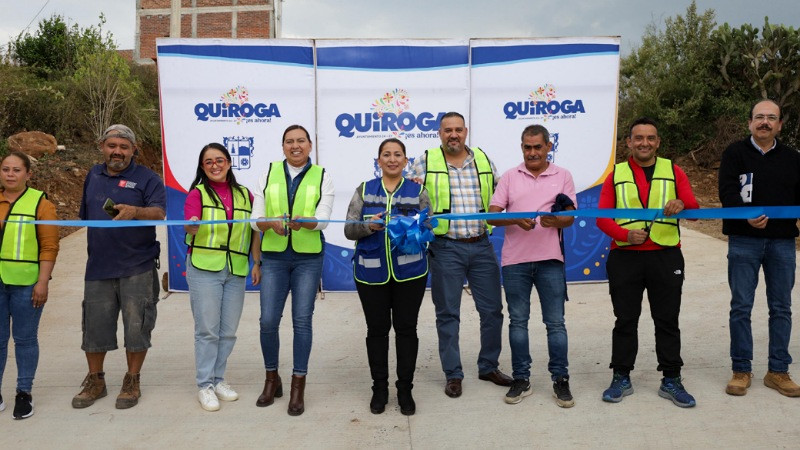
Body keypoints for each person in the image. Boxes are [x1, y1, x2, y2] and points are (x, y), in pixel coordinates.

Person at [596, 117, 699, 408]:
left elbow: (693, 210)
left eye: (650, 138)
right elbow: (602, 217)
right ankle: (621, 376)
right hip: (625, 256)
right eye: (638, 138)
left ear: (658, 142)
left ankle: (671, 378)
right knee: (625, 320)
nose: (644, 143)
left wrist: (681, 204)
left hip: (665, 255)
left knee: (667, 319)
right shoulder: (615, 174)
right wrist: (625, 235)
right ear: (628, 142)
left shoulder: (673, 170)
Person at [409, 111, 511, 398]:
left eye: (458, 130)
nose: (453, 135)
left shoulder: (483, 158)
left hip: (481, 245)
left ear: (466, 131)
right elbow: (403, 192)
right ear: (439, 133)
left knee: (492, 311)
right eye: (447, 130)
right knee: (448, 314)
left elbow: (501, 194)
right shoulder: (425, 160)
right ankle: (453, 373)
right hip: (445, 248)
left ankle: (488, 366)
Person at [72, 124, 166, 410]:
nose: (118, 152)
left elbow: (160, 212)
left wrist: (136, 211)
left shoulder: (147, 178)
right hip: (98, 267)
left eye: (124, 147)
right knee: (94, 328)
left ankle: (132, 380)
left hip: (137, 265)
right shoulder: (93, 175)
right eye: (113, 145)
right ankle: (95, 380)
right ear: (102, 146)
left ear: (134, 150)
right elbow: (84, 216)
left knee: (137, 327)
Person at [487, 125, 576, 407]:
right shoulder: (510, 177)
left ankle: (560, 380)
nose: (533, 152)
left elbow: (571, 217)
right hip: (515, 262)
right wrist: (514, 219)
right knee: (518, 323)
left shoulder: (563, 175)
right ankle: (521, 379)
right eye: (527, 147)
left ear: (549, 147)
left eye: (538, 147)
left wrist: (555, 221)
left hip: (551, 260)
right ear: (522, 147)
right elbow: (491, 217)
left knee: (555, 324)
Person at [719, 99, 800, 397]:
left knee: (781, 308)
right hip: (743, 241)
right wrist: (745, 215)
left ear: (780, 124)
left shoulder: (793, 158)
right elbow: (727, 192)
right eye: (759, 117)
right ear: (750, 122)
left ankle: (778, 371)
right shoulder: (734, 154)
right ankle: (741, 370)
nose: (764, 122)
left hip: (782, 243)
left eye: (771, 117)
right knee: (741, 306)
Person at [251, 124, 334, 416]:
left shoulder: (323, 176)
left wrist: (307, 221)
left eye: (301, 141)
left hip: (308, 259)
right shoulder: (268, 172)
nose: (295, 146)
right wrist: (268, 221)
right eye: (289, 141)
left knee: (302, 321)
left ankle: (298, 384)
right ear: (282, 146)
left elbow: (323, 220)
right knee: (268, 321)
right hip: (273, 257)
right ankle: (272, 379)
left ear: (310, 145)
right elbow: (253, 220)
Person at [345, 138, 430, 416]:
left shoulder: (418, 191)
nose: (392, 159)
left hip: (410, 274)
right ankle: (379, 389)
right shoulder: (364, 190)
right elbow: (348, 229)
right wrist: (368, 226)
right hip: (371, 274)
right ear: (378, 160)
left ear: (406, 160)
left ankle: (405, 389)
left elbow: (429, 228)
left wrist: (413, 233)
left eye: (397, 155)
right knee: (377, 332)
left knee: (407, 331)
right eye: (386, 155)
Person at [184, 143, 262, 411]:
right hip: (204, 267)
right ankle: (204, 384)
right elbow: (189, 223)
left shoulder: (244, 194)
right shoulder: (197, 194)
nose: (215, 165)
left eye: (220, 160)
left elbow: (254, 231)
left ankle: (219, 379)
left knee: (228, 331)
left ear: (229, 163)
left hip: (236, 268)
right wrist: (192, 224)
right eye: (208, 162)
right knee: (207, 330)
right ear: (202, 167)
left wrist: (256, 262)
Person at [0, 151, 59, 419]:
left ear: (28, 174)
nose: (10, 174)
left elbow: (49, 246)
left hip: (27, 284)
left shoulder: (40, 203)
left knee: (24, 340)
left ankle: (24, 393)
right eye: (5, 169)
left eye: (16, 170)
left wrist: (42, 281)